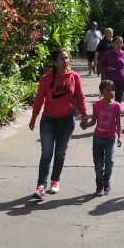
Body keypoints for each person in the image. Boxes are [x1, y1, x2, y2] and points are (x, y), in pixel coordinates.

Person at [29, 48, 87, 199]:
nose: (65, 61)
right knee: (47, 153)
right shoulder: (46, 78)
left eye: (66, 58)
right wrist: (34, 117)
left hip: (67, 121)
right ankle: (41, 186)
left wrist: (85, 115)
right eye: (62, 59)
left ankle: (55, 181)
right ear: (54, 62)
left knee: (60, 153)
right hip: (48, 121)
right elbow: (39, 99)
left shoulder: (74, 77)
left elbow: (80, 97)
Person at [81, 79, 123, 197]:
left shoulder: (116, 106)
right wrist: (86, 125)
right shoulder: (97, 105)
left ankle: (106, 181)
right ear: (102, 91)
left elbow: (119, 123)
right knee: (98, 164)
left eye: (112, 90)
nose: (111, 92)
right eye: (108, 90)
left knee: (110, 161)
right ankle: (99, 185)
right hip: (98, 139)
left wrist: (119, 137)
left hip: (110, 139)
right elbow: (93, 121)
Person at [97, 35, 124, 103]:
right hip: (110, 82)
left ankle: (117, 113)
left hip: (121, 81)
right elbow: (100, 67)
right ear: (113, 43)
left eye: (121, 43)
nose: (119, 44)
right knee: (108, 100)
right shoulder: (107, 54)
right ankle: (108, 113)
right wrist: (107, 69)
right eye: (117, 42)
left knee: (118, 101)